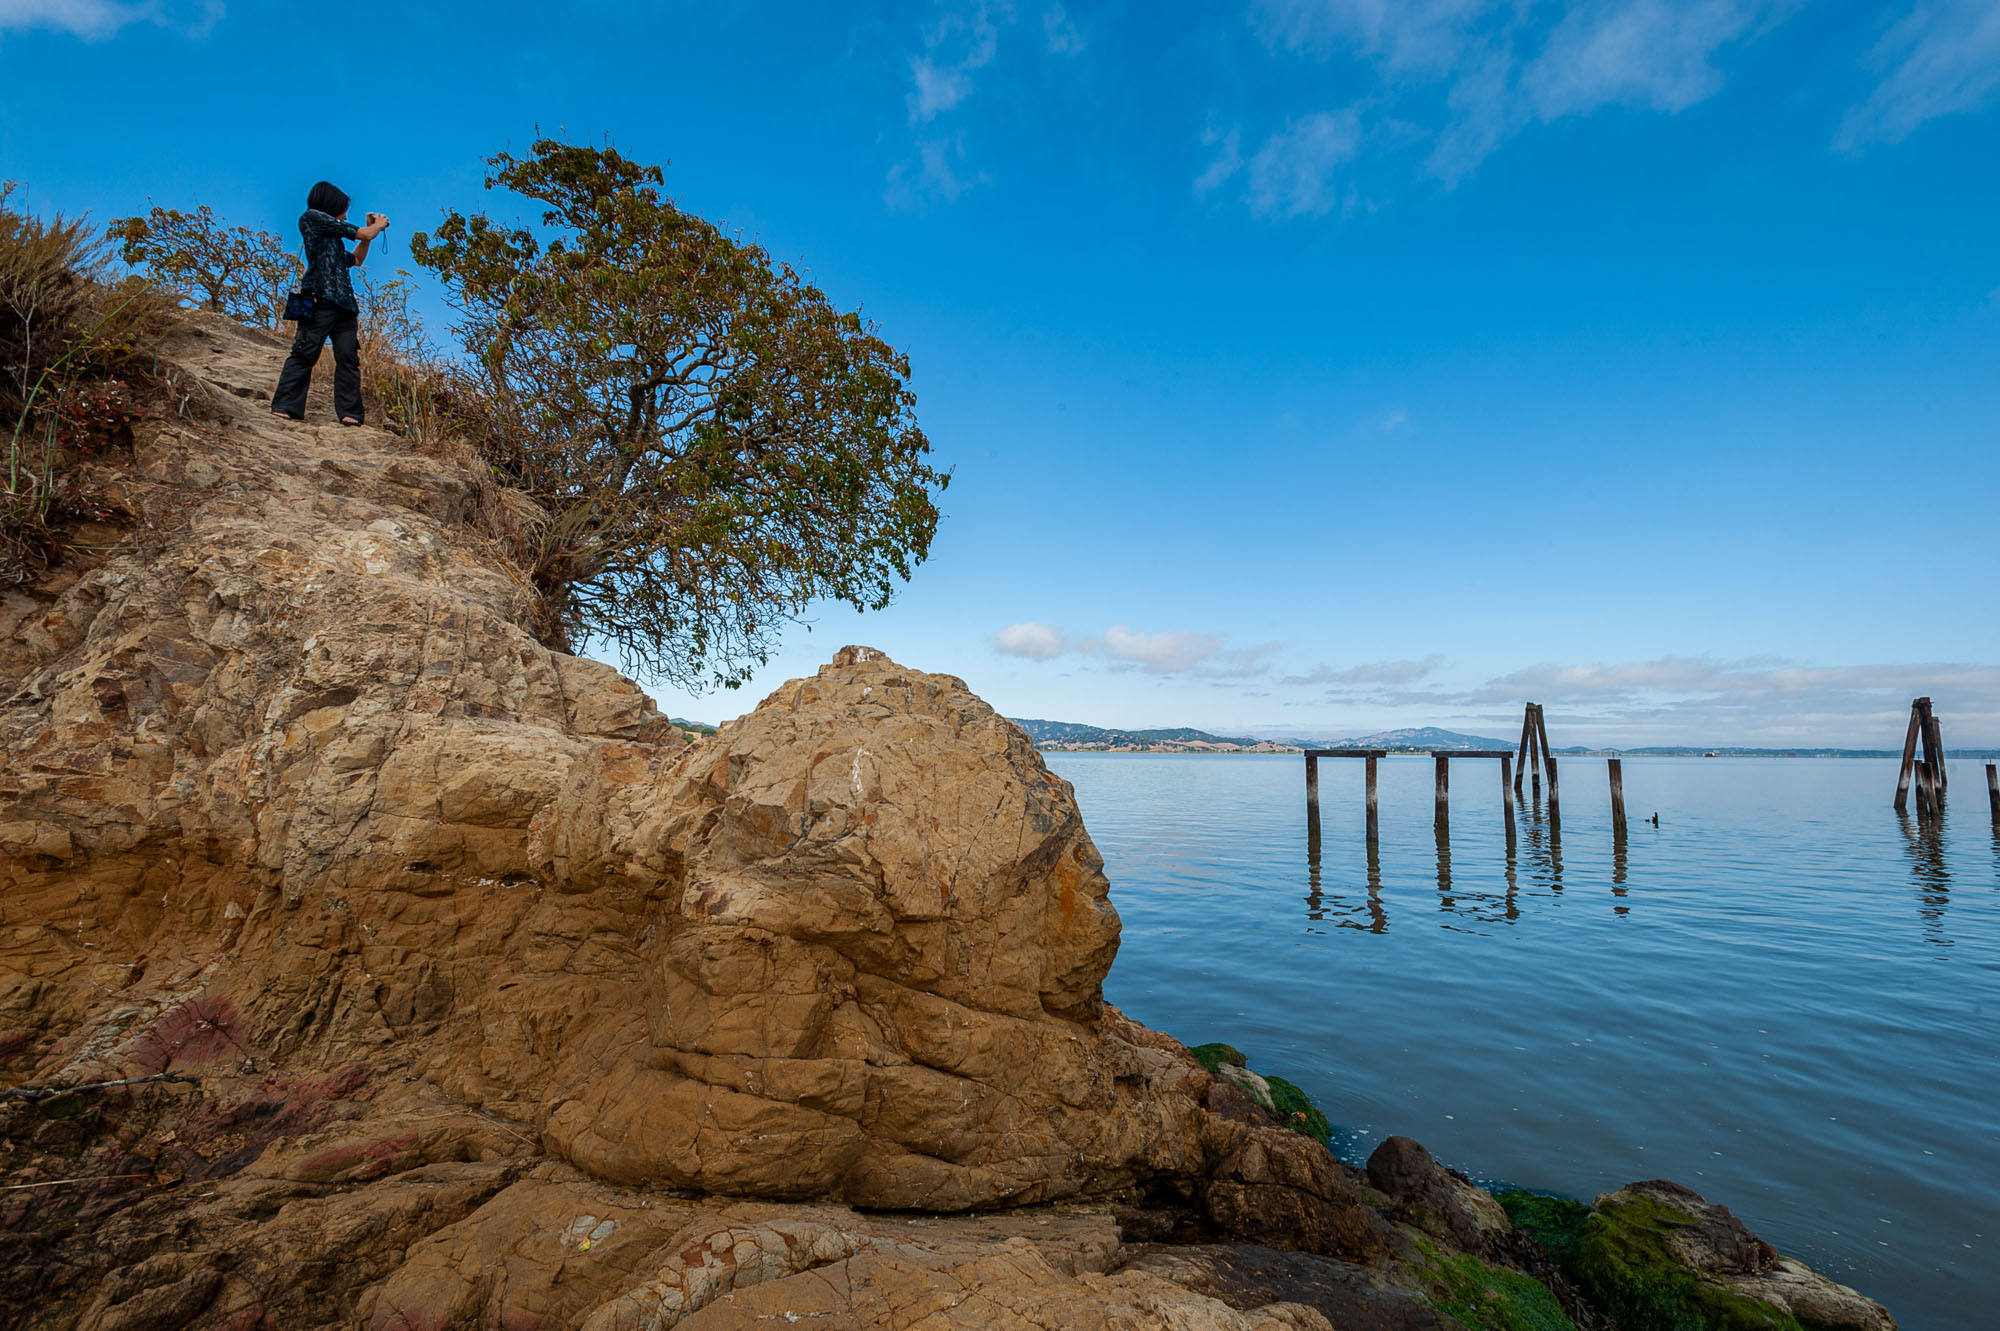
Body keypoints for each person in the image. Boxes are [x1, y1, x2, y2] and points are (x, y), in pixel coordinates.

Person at [270, 181, 389, 426]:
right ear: (330, 204)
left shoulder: (332, 240)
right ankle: (286, 406)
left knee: (348, 358)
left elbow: (356, 259)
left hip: (344, 305)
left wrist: (368, 234)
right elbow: (362, 233)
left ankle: (351, 414)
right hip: (318, 298)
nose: (345, 215)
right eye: (342, 209)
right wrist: (377, 226)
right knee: (304, 352)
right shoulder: (312, 218)